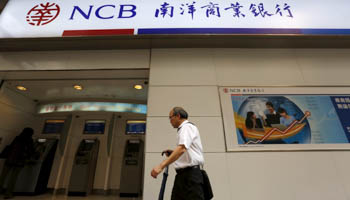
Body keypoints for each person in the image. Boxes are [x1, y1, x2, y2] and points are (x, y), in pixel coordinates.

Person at [151, 107, 205, 200]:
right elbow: (185, 149)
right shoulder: (184, 129)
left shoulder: (187, 127)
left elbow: (181, 149)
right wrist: (173, 153)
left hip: (190, 177)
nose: (170, 121)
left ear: (178, 116)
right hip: (184, 176)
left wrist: (160, 166)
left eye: (170, 117)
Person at [0, 128, 35, 199]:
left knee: (3, 177)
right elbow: (30, 151)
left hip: (10, 160)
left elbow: (11, 147)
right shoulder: (29, 140)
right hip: (19, 161)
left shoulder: (17, 138)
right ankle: (8, 193)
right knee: (13, 178)